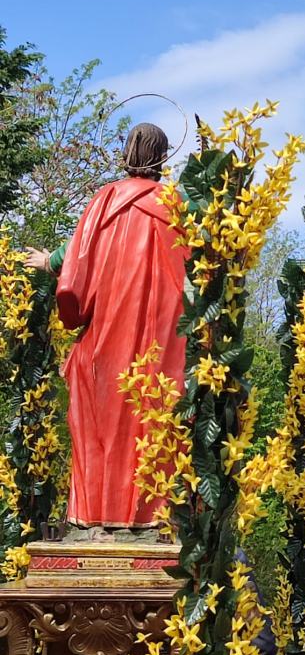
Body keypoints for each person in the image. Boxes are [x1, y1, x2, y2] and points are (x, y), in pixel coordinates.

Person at [30, 123, 187, 530]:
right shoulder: (178, 203)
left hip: (105, 340)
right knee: (153, 416)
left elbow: (75, 254)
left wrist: (48, 261)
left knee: (101, 425)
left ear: (128, 152)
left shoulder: (105, 200)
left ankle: (94, 517)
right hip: (162, 343)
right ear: (163, 156)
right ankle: (151, 518)